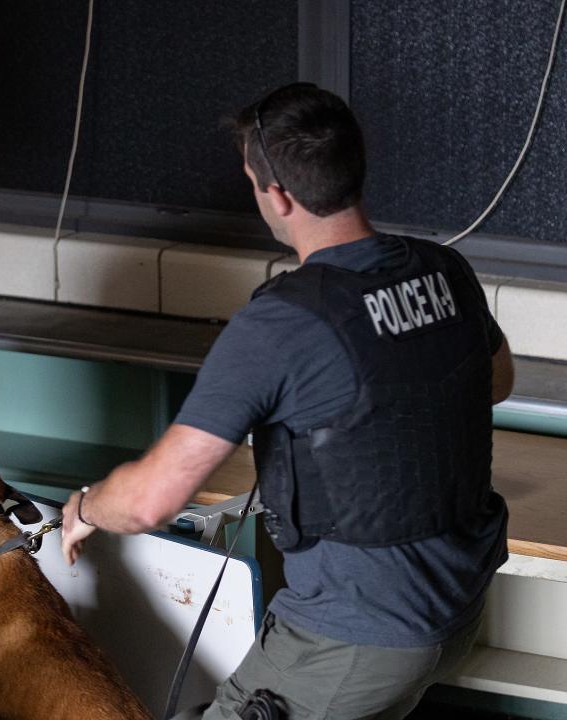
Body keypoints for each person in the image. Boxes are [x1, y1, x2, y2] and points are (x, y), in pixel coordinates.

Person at [60, 84, 515, 720]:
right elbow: (496, 383)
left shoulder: (283, 322)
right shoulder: (446, 271)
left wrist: (85, 507)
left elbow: (148, 501)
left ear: (277, 195)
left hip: (350, 638)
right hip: (455, 613)